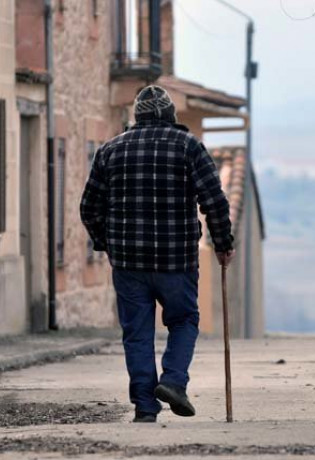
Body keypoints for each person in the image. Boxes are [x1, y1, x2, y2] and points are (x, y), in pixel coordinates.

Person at [80, 85, 235, 423]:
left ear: (137, 116)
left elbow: (89, 207)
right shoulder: (189, 147)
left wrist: (107, 243)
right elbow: (215, 202)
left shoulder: (110, 151)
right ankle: (174, 382)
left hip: (129, 263)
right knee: (183, 320)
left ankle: (145, 406)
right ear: (170, 116)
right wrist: (223, 244)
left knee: (136, 333)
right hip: (176, 261)